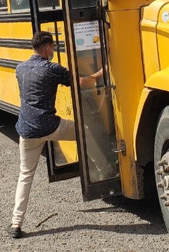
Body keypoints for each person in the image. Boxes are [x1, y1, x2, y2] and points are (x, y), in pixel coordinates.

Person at [7, 31, 103, 239]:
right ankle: (103, 171)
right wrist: (100, 74)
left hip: (27, 130)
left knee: (25, 175)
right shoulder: (51, 69)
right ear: (48, 49)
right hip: (51, 126)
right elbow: (81, 82)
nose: (53, 52)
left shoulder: (20, 68)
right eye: (52, 48)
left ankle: (16, 223)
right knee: (85, 132)